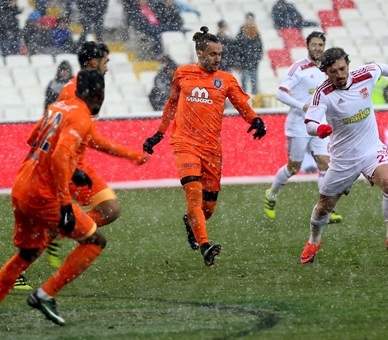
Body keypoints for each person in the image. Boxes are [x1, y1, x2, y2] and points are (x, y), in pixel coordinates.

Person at [0, 70, 108, 329]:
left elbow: (35, 140)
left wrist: (72, 169)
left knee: (28, 252)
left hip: (22, 185)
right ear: (97, 92)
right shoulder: (82, 117)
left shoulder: (56, 107)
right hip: (44, 194)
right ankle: (45, 294)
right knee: (95, 240)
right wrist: (66, 201)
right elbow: (57, 157)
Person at [14, 42, 147, 289]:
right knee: (107, 210)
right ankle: (22, 268)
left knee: (110, 209)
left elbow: (88, 137)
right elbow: (70, 138)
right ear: (94, 62)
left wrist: (130, 155)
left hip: (78, 162)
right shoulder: (74, 92)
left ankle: (60, 230)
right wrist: (128, 154)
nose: (108, 66)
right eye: (106, 61)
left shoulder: (87, 87)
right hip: (66, 165)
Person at [141, 26, 267, 266]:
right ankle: (205, 246)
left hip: (212, 149)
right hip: (185, 144)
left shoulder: (226, 80)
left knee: (208, 207)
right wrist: (158, 134)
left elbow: (241, 104)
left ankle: (192, 224)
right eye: (212, 54)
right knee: (194, 196)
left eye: (219, 54)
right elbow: (170, 104)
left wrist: (256, 120)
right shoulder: (182, 74)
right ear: (199, 54)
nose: (217, 58)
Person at [300, 47, 388, 264]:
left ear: (348, 64)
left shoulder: (364, 75)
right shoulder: (323, 93)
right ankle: (313, 240)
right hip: (343, 159)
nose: (339, 75)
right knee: (323, 207)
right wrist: (319, 129)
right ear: (325, 73)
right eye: (332, 71)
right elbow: (310, 122)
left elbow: (381, 67)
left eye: (342, 68)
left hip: (370, 149)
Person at [263, 31, 342, 224]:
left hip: (319, 125)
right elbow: (280, 94)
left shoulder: (327, 69)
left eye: (320, 45)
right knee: (293, 168)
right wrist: (302, 106)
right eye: (314, 44)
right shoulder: (298, 68)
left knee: (325, 164)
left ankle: (325, 209)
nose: (317, 48)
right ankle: (271, 195)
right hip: (298, 125)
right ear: (308, 46)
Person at [235, 13, 263, 95]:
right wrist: (239, 62)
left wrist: (257, 58)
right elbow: (237, 48)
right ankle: (243, 100)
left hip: (254, 63)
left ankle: (255, 100)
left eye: (252, 20)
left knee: (255, 84)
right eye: (249, 20)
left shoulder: (256, 33)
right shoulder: (241, 33)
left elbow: (260, 47)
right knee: (244, 83)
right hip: (244, 63)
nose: (251, 22)